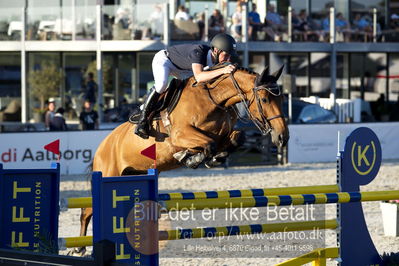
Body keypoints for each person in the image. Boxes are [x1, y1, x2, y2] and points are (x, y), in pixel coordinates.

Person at [134, 33, 238, 139]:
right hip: (165, 61)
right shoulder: (199, 51)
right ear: (216, 50)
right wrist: (223, 70)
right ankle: (142, 119)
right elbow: (199, 77)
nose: (228, 59)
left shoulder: (216, 62)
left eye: (230, 56)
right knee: (161, 85)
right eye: (226, 55)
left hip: (184, 70)